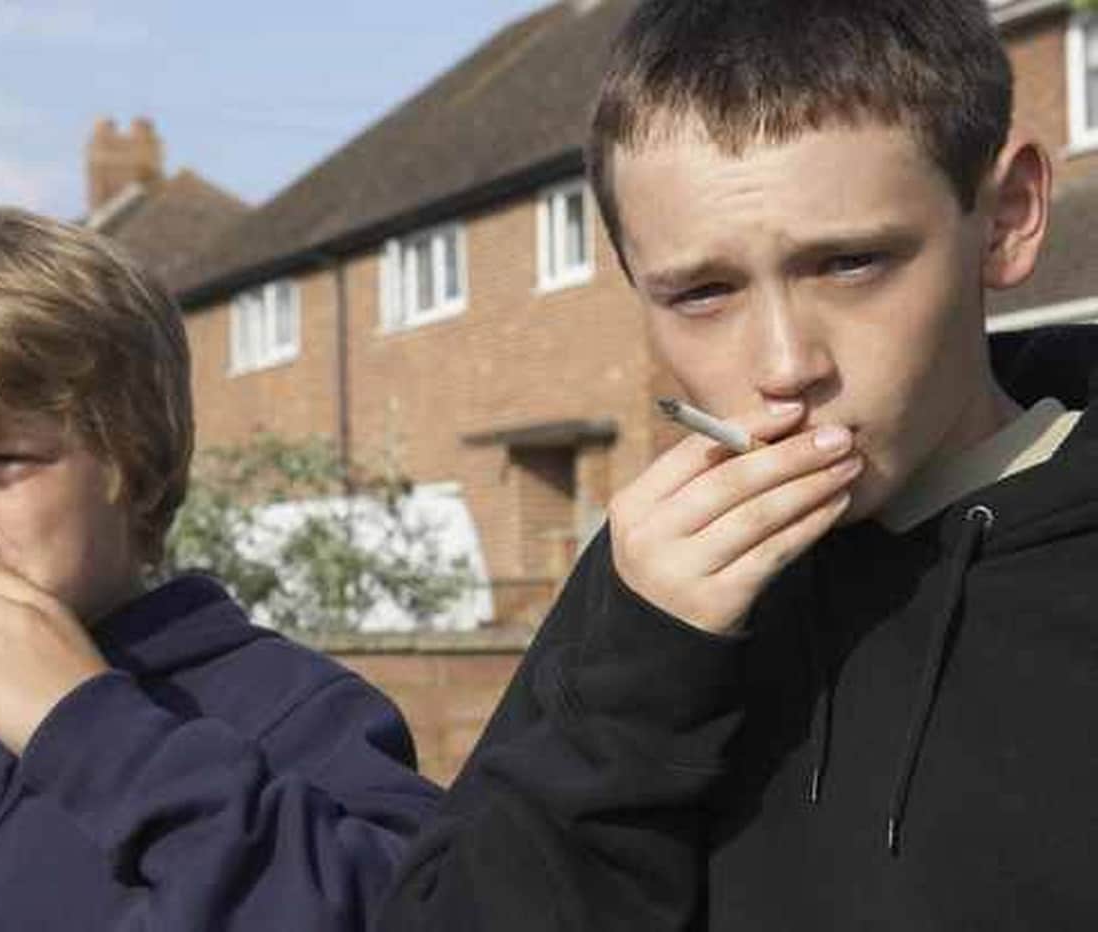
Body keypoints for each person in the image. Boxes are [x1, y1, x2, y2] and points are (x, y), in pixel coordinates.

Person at [380, 0, 1098, 928]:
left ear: (1005, 218)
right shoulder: (653, 586)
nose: (785, 363)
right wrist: (642, 684)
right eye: (704, 292)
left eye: (850, 264)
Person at [0, 205, 439, 931]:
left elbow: (416, 913)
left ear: (132, 463)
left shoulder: (298, 714)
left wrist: (96, 735)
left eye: (0, 461)